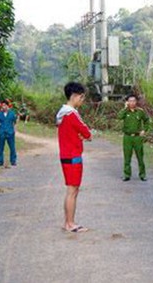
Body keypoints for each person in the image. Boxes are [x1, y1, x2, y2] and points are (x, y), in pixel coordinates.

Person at [56, 82, 92, 233]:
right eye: (82, 98)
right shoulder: (71, 114)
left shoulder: (62, 114)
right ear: (76, 96)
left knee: (71, 190)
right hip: (73, 157)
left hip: (66, 155)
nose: (82, 101)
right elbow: (87, 133)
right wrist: (83, 136)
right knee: (72, 191)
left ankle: (68, 222)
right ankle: (70, 223)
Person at [117, 94, 150, 181]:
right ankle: (127, 175)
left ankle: (142, 175)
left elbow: (147, 120)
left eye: (134, 101)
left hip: (137, 137)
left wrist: (144, 130)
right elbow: (119, 117)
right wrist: (125, 108)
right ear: (127, 102)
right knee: (127, 157)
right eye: (130, 101)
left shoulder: (140, 111)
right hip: (127, 137)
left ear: (136, 102)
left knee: (140, 157)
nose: (132, 102)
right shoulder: (125, 112)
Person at [0, 99, 18, 166]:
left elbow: (14, 122)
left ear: (8, 106)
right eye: (2, 106)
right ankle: (0, 161)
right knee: (0, 148)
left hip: (10, 132)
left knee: (12, 147)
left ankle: (13, 161)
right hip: (2, 132)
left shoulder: (12, 113)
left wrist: (14, 130)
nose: (3, 107)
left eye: (5, 105)